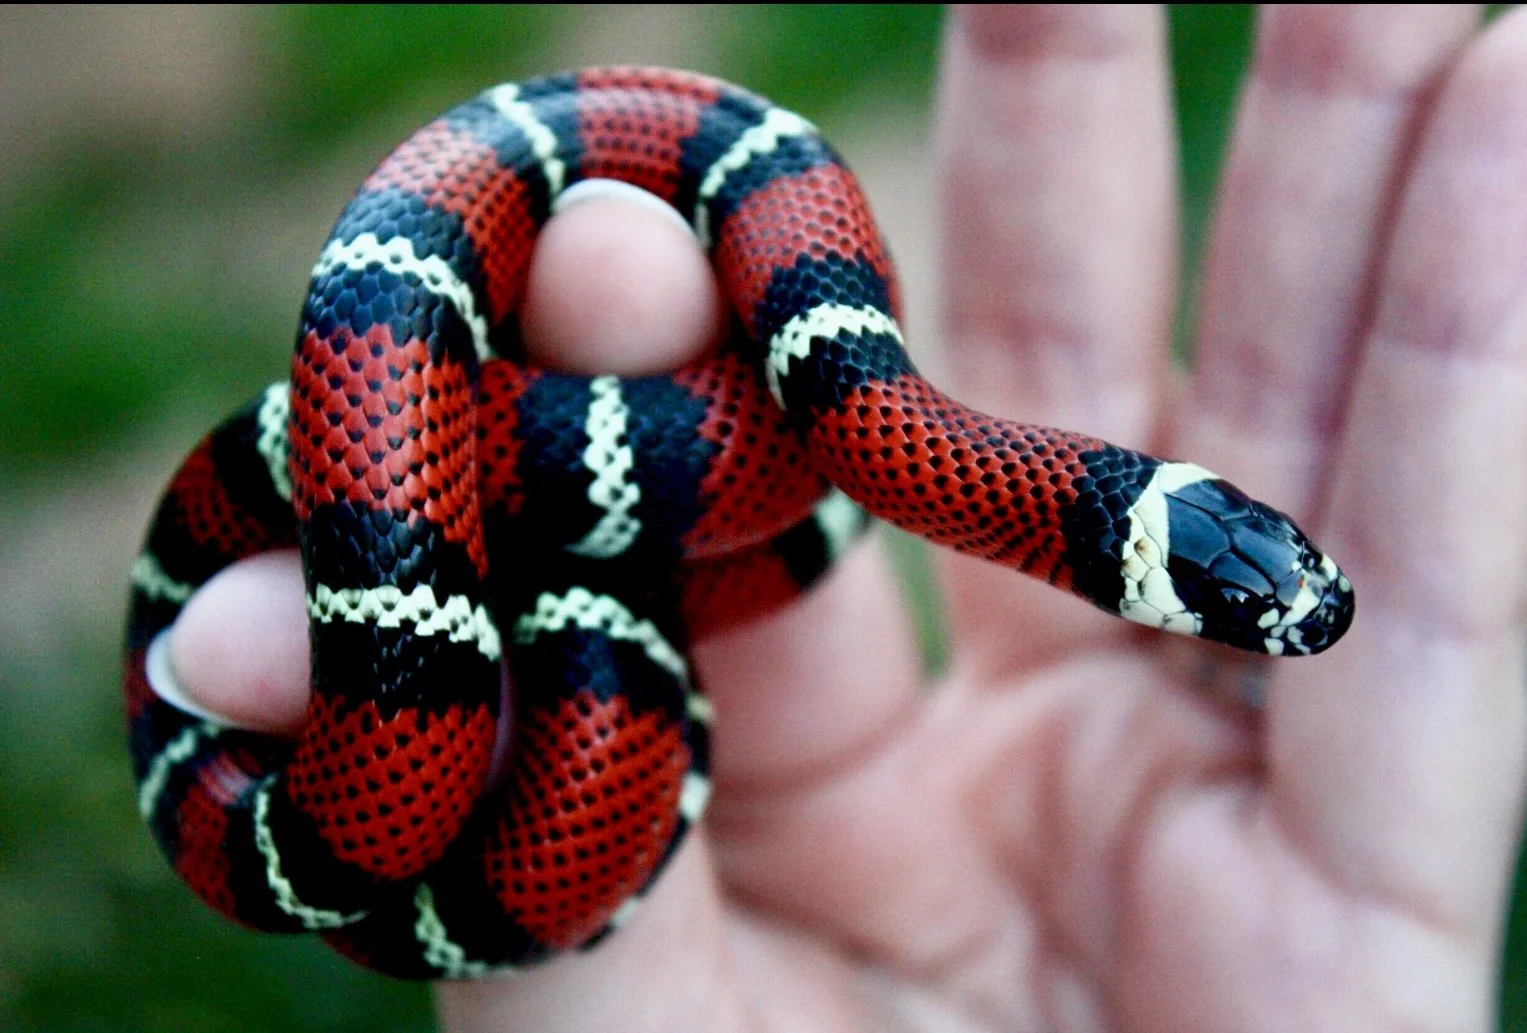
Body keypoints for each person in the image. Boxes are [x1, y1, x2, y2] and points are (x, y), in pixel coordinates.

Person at [163, 6, 1525, 1029]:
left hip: (486, 691)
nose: (1279, 600)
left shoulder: (884, 453)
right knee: (702, 383)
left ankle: (508, 634)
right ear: (1161, 543)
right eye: (1251, 591)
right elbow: (860, 432)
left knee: (711, 470)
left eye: (1254, 605)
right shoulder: (858, 415)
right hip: (529, 320)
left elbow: (867, 443)